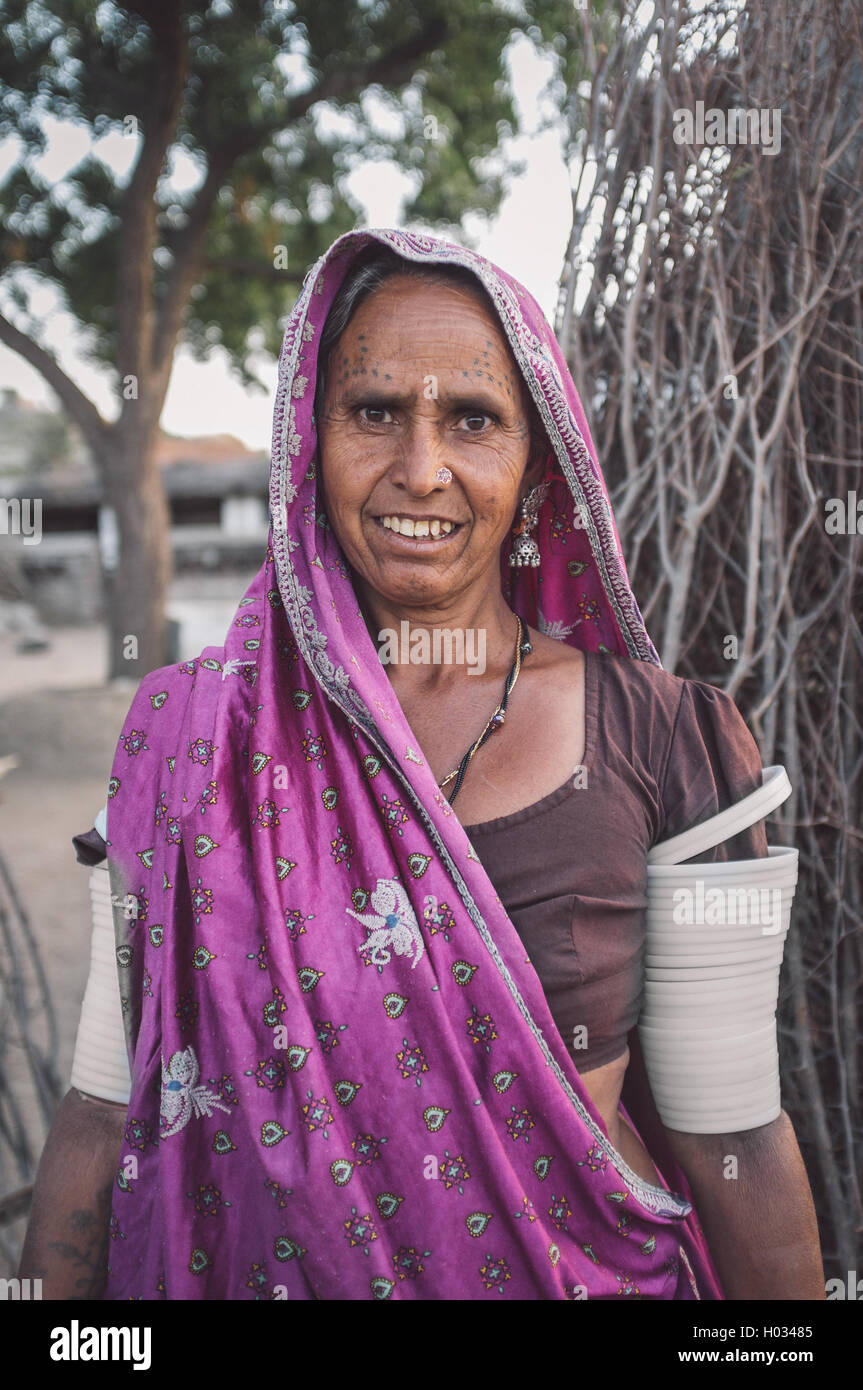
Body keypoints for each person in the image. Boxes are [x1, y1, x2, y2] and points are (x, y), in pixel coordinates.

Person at [20, 229, 824, 1300]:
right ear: (308, 440)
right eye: (373, 411)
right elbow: (103, 1108)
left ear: (537, 462)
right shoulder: (192, 737)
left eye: (473, 420)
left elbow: (734, 1136)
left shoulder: (661, 738)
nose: (420, 469)